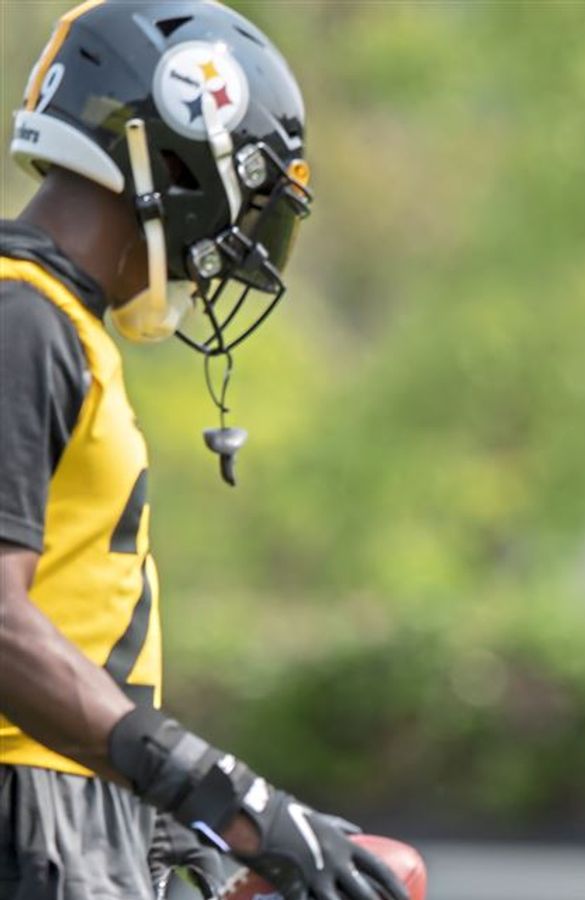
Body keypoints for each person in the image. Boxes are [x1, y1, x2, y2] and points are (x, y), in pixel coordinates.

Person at [0, 3, 407, 899]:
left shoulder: (58, 319)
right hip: (29, 813)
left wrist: (144, 813)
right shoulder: (20, 317)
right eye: (250, 190)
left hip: (71, 806)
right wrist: (210, 789)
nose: (240, 234)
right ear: (182, 152)